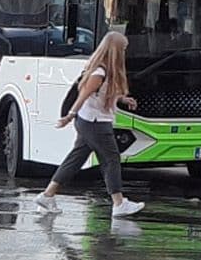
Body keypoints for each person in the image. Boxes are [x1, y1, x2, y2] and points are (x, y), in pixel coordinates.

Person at [36, 32, 144, 218]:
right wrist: (69, 116)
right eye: (123, 49)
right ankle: (119, 203)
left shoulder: (102, 70)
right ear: (115, 50)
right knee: (111, 159)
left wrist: (122, 99)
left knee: (76, 158)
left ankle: (48, 195)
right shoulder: (99, 72)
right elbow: (83, 96)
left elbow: (101, 94)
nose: (124, 53)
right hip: (95, 123)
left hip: (90, 122)